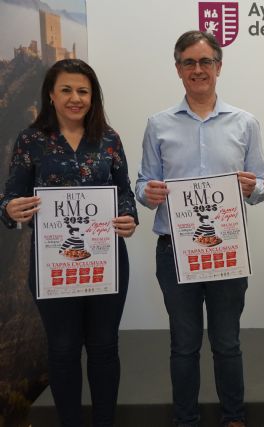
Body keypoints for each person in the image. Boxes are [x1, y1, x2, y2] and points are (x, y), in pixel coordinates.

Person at [135, 31, 264, 427]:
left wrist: (253, 188)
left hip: (227, 249)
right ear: (178, 69)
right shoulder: (158, 124)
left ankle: (234, 418)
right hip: (175, 250)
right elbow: (142, 184)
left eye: (205, 62)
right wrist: (148, 193)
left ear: (218, 67)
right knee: (183, 344)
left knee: (227, 343)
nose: (198, 69)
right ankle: (186, 420)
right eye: (189, 62)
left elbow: (261, 186)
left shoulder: (245, 123)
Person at [0, 58, 138, 427]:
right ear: (51, 94)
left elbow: (124, 192)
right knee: (62, 350)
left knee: (104, 347)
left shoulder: (109, 139)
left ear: (93, 97)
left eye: (83, 91)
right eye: (66, 90)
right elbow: (10, 195)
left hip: (106, 261)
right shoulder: (31, 140)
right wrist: (10, 208)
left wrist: (129, 218)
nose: (75, 98)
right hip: (53, 263)